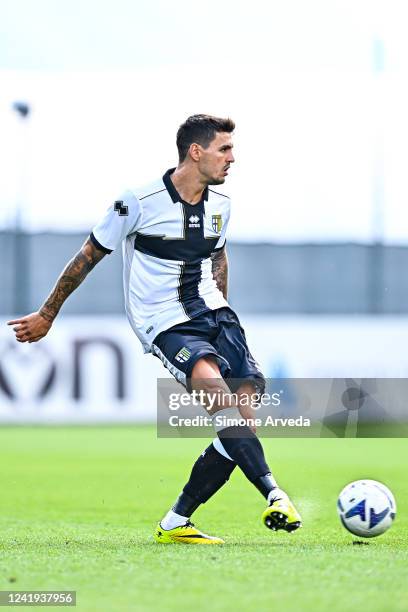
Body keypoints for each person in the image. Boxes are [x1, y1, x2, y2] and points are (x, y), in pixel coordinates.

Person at [8, 114, 301, 544]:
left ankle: (175, 522)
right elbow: (88, 255)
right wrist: (48, 313)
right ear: (195, 152)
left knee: (243, 423)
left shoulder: (222, 205)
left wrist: (225, 316)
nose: (232, 159)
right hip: (163, 321)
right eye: (225, 149)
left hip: (216, 316)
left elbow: (218, 259)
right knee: (216, 396)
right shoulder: (138, 201)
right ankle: (276, 495)